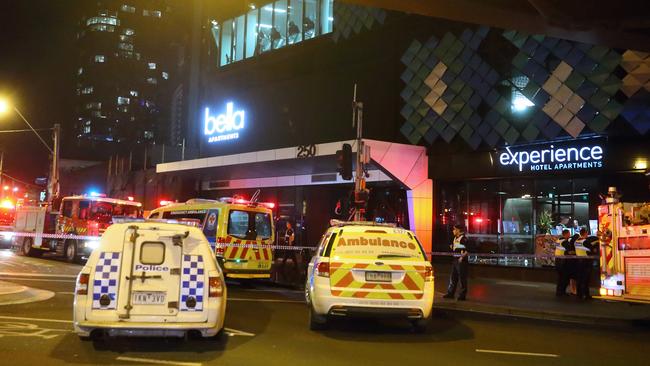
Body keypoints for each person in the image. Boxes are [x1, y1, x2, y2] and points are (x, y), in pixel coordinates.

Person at [443, 224, 469, 301]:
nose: (453, 231)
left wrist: (462, 257)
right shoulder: (455, 238)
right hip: (455, 260)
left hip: (461, 261)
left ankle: (462, 295)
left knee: (462, 278)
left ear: (458, 230)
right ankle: (450, 293)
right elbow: (455, 247)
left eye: (454, 229)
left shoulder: (464, 239)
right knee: (453, 278)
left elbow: (467, 249)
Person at [574, 227, 599, 300]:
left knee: (579, 279)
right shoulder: (585, 241)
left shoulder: (576, 241)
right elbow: (593, 249)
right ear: (586, 233)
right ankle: (586, 295)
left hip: (578, 262)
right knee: (585, 279)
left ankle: (579, 294)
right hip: (586, 262)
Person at [555, 229, 575, 296]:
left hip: (557, 260)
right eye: (569, 234)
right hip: (563, 262)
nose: (570, 235)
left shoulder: (558, 240)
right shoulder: (564, 242)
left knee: (560, 278)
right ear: (566, 234)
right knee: (565, 278)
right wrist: (575, 252)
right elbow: (569, 251)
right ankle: (562, 292)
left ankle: (559, 291)